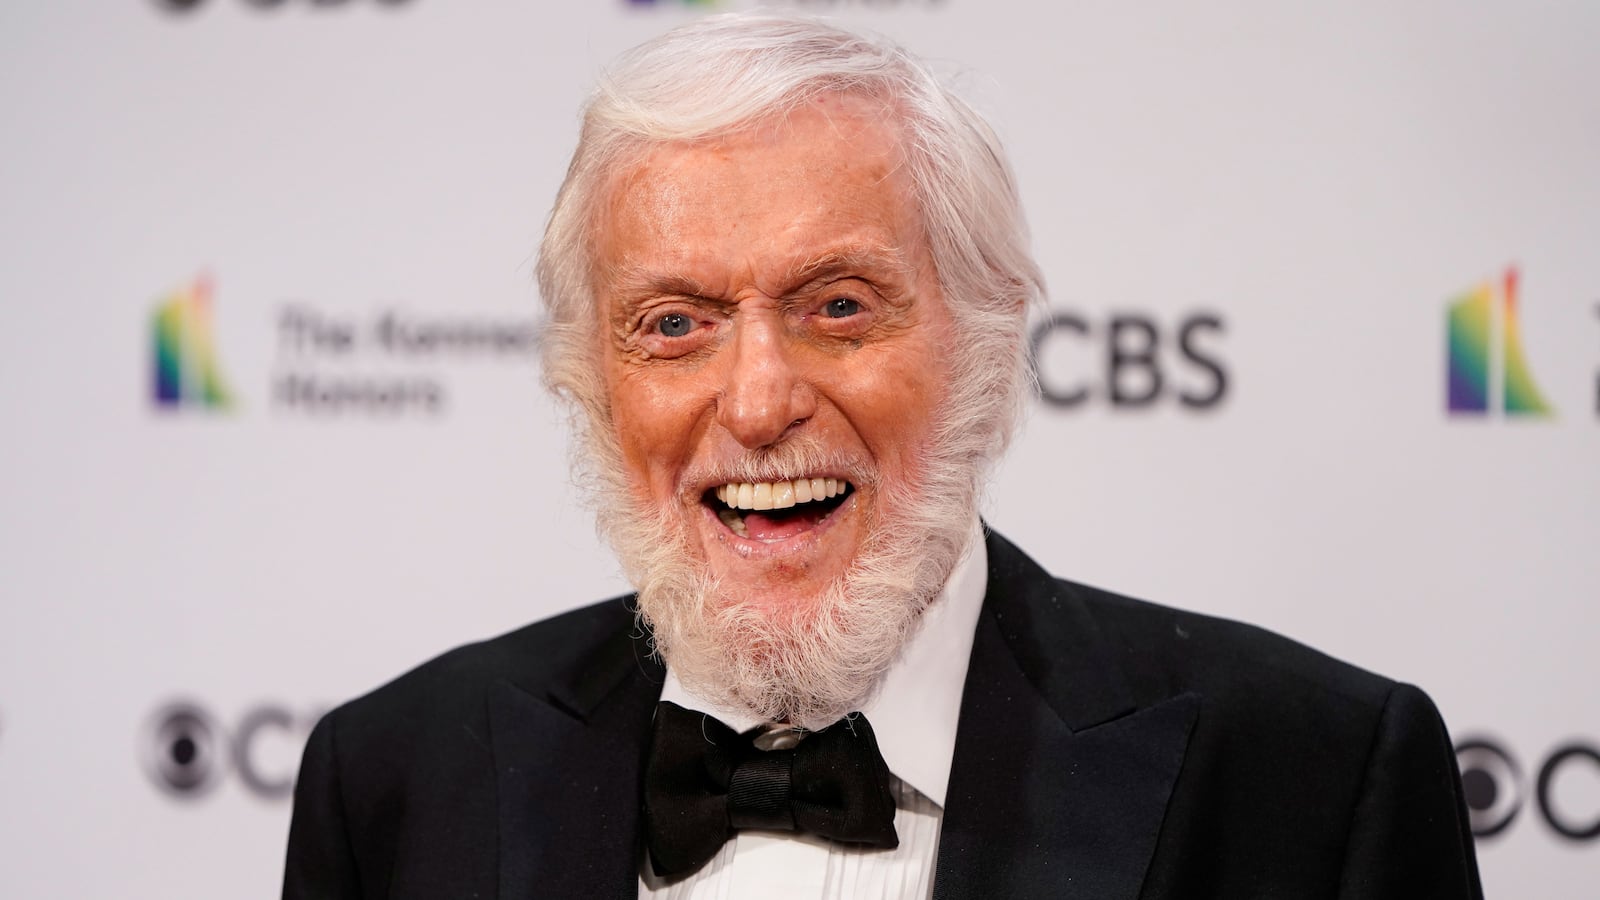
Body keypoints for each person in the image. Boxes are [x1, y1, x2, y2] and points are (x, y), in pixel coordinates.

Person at [282, 13, 1482, 899]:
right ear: (588, 382)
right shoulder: (391, 782)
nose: (755, 403)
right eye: (673, 325)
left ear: (986, 338)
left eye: (839, 306)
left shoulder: (1310, 786)